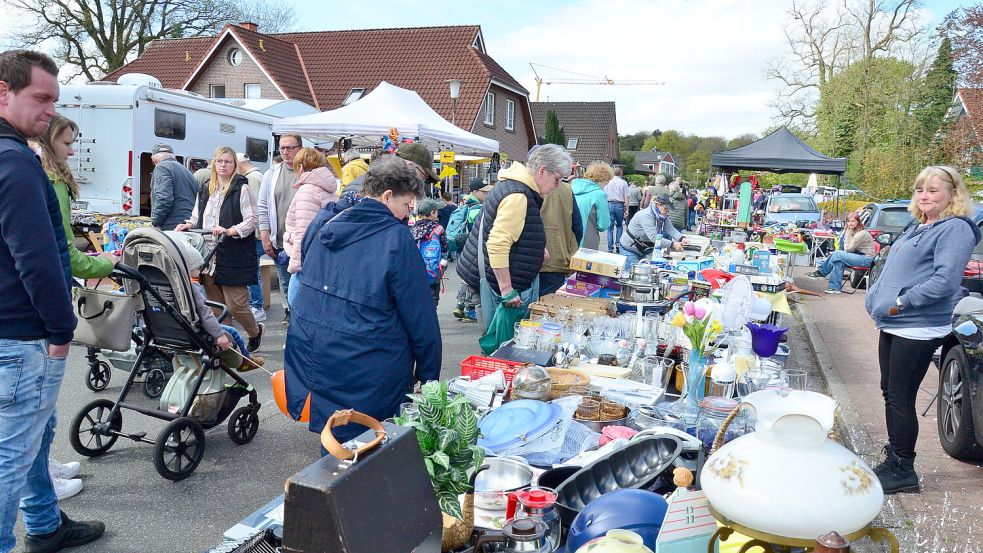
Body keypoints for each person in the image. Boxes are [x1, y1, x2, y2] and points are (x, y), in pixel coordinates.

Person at [0, 48, 106, 553]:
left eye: (55, 101)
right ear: (3, 92)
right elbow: (39, 261)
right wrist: (62, 331)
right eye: (40, 99)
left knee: (29, 440)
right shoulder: (16, 164)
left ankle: (43, 523)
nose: (50, 111)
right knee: (10, 457)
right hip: (21, 337)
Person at [284, 156, 440, 448]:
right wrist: (429, 375)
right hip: (372, 366)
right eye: (406, 205)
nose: (408, 214)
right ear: (386, 196)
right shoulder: (396, 238)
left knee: (334, 445)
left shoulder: (326, 221)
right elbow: (421, 317)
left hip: (320, 355)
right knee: (369, 450)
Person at [864, 165, 980, 495]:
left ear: (953, 194)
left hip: (917, 326)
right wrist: (876, 299)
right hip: (895, 323)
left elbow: (945, 281)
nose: (924, 195)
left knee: (900, 396)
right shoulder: (921, 225)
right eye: (919, 189)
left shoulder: (955, 229)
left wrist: (900, 302)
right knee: (891, 392)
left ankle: (903, 468)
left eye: (933, 190)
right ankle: (894, 458)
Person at [30, 113, 120, 501]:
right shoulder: (51, 180)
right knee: (36, 405)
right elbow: (63, 253)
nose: (74, 150)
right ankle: (40, 484)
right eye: (68, 143)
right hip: (37, 311)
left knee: (36, 406)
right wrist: (109, 262)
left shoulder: (35, 171)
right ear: (52, 142)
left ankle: (43, 468)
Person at [457, 144, 573, 329]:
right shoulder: (518, 195)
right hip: (493, 286)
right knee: (497, 347)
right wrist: (507, 289)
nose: (557, 186)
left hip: (488, 278)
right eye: (557, 179)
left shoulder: (515, 187)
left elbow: (512, 231)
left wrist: (535, 247)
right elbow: (497, 243)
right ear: (543, 171)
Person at [176, 146, 263, 352]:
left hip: (233, 253)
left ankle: (255, 331)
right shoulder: (206, 187)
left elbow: (252, 219)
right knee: (216, 308)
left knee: (236, 305)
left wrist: (231, 230)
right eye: (220, 161)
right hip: (208, 254)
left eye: (228, 161)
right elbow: (197, 216)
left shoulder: (242, 188)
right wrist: (189, 224)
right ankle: (231, 347)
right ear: (214, 163)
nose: (223, 165)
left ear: (235, 165)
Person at [166, 232, 265, 369]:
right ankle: (245, 360)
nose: (200, 271)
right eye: (197, 268)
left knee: (228, 309)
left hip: (170, 329)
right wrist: (219, 335)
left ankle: (235, 355)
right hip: (193, 329)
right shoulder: (191, 286)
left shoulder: (169, 282)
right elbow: (205, 313)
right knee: (232, 332)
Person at [283, 148, 338, 306]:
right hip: (322, 256)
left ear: (300, 167)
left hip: (306, 260)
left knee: (297, 306)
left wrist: (296, 264)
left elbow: (303, 230)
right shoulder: (329, 188)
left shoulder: (307, 190)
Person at [257, 134, 302, 321]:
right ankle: (290, 312)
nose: (285, 152)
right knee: (285, 281)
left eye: (290, 148)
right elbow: (262, 206)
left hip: (304, 240)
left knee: (303, 283)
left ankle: (301, 316)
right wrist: (265, 235)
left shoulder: (309, 171)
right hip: (280, 239)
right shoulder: (271, 173)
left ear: (300, 148)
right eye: (282, 148)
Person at [450, 178, 493, 321]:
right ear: (475, 192)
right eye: (484, 191)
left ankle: (460, 304)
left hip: (463, 246)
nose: (487, 194)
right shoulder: (477, 209)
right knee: (472, 279)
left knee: (465, 277)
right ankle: (469, 309)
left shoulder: (465, 205)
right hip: (473, 248)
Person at [807, 212, 876, 293]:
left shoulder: (861, 234)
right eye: (849, 221)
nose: (850, 223)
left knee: (838, 254)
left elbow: (847, 249)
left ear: (858, 222)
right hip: (858, 255)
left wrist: (847, 234)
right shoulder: (854, 231)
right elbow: (849, 249)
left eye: (853, 221)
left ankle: (821, 272)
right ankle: (835, 288)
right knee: (838, 261)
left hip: (866, 259)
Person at [539, 177, 583, 295]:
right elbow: (577, 226)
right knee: (550, 305)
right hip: (557, 256)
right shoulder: (566, 189)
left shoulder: (526, 186)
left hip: (527, 260)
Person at [619, 194, 686, 271]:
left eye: (669, 210)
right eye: (666, 209)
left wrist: (681, 238)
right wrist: (673, 244)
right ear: (658, 205)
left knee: (642, 273)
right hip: (629, 248)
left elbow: (670, 228)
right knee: (635, 273)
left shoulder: (662, 216)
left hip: (641, 249)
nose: (667, 212)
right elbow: (654, 237)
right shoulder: (646, 215)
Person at [238, 153, 267, 323]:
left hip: (254, 234)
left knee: (251, 271)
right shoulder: (258, 175)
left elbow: (253, 210)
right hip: (257, 233)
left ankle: (257, 306)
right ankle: (255, 305)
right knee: (252, 270)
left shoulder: (252, 178)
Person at [149, 143, 198, 231]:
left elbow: (164, 199)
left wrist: (155, 221)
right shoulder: (186, 171)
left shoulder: (161, 168)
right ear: (173, 157)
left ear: (153, 160)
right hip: (187, 224)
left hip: (172, 226)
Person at [412, 198, 450, 305]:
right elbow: (445, 248)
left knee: (419, 294)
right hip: (434, 267)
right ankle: (431, 315)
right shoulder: (438, 228)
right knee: (433, 294)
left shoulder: (414, 228)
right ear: (432, 213)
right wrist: (443, 265)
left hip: (417, 267)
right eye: (436, 210)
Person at [572, 161, 612, 250]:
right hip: (587, 241)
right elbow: (603, 225)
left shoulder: (572, 188)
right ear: (603, 178)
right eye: (607, 180)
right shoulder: (599, 194)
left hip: (570, 240)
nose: (607, 183)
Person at [605, 166, 629, 253]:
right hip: (619, 205)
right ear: (621, 173)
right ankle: (618, 245)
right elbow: (626, 197)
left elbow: (604, 194)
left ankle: (610, 248)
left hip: (610, 204)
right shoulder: (623, 183)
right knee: (619, 226)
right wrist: (627, 210)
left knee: (610, 227)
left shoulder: (608, 182)